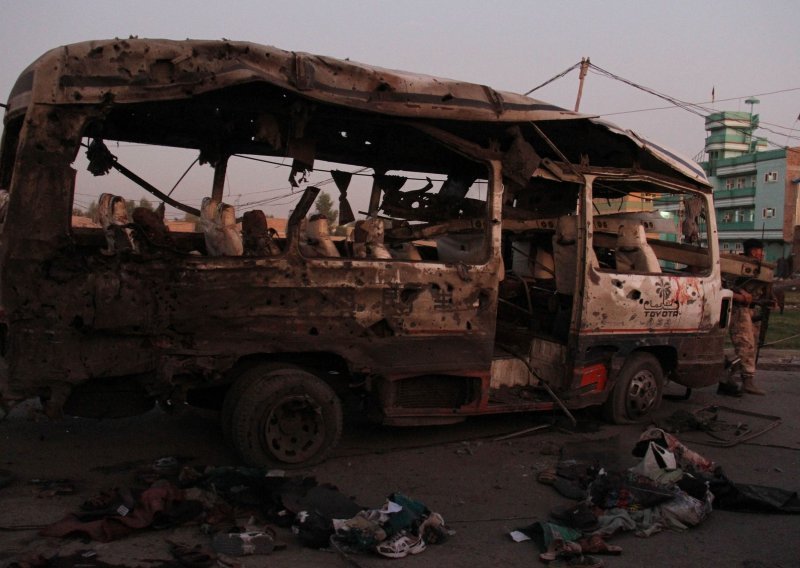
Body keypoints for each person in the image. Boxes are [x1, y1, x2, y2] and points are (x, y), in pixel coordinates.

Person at [720, 238, 774, 396]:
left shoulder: (762, 268)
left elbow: (766, 288)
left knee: (751, 348)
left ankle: (725, 377)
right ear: (751, 251)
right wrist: (741, 294)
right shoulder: (737, 265)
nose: (760, 253)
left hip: (753, 310)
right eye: (758, 250)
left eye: (761, 250)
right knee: (746, 344)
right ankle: (747, 382)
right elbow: (726, 284)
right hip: (738, 309)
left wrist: (772, 300)